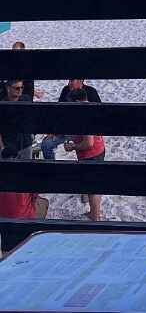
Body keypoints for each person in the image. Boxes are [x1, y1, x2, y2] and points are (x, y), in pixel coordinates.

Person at [64, 88, 105, 221]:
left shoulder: (84, 115)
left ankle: (95, 217)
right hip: (100, 149)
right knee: (96, 185)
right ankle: (96, 213)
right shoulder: (92, 107)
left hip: (91, 154)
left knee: (93, 189)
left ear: (76, 101)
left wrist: (73, 146)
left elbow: (88, 143)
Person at [41, 78, 102, 161]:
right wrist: (54, 130)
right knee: (46, 144)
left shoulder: (91, 93)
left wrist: (73, 146)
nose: (69, 83)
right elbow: (58, 113)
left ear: (81, 80)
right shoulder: (66, 90)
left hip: (87, 139)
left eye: (72, 80)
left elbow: (89, 142)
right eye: (69, 80)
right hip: (67, 129)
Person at [0, 79, 34, 160]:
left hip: (25, 144)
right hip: (9, 146)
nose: (20, 90)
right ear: (8, 89)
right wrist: (2, 148)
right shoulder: (3, 105)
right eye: (17, 88)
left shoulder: (26, 100)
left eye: (22, 87)